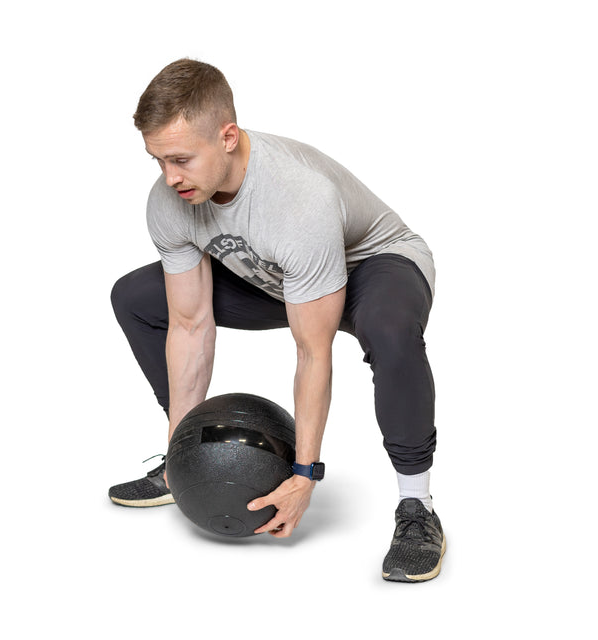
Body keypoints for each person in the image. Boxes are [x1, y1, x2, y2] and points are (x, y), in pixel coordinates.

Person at [108, 58, 446, 582]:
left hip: (371, 267)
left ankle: (417, 508)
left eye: (181, 159)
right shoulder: (169, 202)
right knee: (136, 296)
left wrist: (305, 473)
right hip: (279, 274)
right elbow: (191, 324)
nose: (170, 178)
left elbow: (313, 350)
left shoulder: (297, 197)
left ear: (227, 136)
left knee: (390, 330)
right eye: (158, 161)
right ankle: (175, 457)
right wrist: (185, 452)